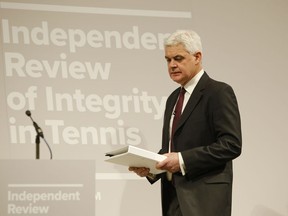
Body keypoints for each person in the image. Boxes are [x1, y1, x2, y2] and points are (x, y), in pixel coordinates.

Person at [129, 30, 242, 216]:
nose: (172, 65)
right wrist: (150, 168)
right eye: (168, 60)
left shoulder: (218, 92)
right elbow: (171, 148)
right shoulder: (173, 98)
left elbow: (231, 145)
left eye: (178, 58)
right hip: (173, 198)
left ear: (197, 57)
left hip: (204, 200)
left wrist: (182, 160)